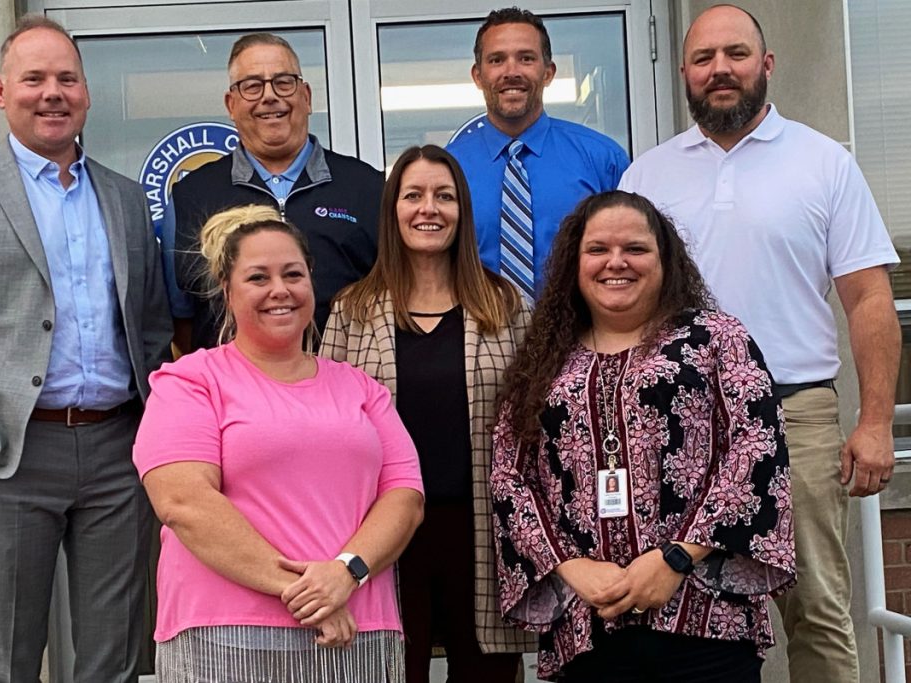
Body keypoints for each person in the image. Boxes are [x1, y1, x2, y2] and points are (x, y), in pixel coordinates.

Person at [617, 6, 901, 680]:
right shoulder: (645, 178)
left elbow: (869, 300)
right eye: (704, 57)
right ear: (684, 73)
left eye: (736, 54)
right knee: (682, 610)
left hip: (793, 416)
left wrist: (877, 420)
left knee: (817, 609)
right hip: (678, 428)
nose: (720, 69)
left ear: (765, 65)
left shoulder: (824, 163)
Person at [0, 15, 172, 682]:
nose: (52, 92)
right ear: (0, 90)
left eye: (67, 78)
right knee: (9, 659)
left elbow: (153, 326)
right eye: (34, 78)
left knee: (115, 658)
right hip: (6, 452)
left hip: (116, 455)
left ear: (86, 94)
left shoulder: (127, 199)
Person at [490, 191, 795, 681]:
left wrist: (676, 558)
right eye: (598, 250)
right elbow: (509, 476)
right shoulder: (543, 360)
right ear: (575, 262)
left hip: (705, 622)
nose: (616, 262)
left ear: (664, 259)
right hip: (589, 627)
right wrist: (572, 568)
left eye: (635, 248)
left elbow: (757, 446)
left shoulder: (717, 339)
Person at [133, 205, 424, 682]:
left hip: (355, 631)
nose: (279, 290)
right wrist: (308, 594)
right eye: (257, 278)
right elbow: (184, 502)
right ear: (226, 293)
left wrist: (345, 573)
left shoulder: (361, 388)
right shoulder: (189, 382)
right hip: (227, 638)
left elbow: (405, 498)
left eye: (293, 274)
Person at [321, 145, 534, 682]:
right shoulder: (353, 310)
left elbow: (536, 422)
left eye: (443, 196)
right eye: (413, 195)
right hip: (383, 535)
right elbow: (324, 430)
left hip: (482, 533)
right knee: (390, 672)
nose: (428, 209)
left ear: (462, 209)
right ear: (392, 210)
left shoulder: (506, 306)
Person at [172, 32, 384, 351]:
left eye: (283, 82)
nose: (269, 96)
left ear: (307, 97)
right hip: (232, 395)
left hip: (342, 389)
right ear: (231, 104)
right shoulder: (192, 195)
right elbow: (181, 317)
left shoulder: (367, 188)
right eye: (252, 85)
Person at [447, 7, 629, 299]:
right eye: (497, 60)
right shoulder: (449, 168)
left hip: (580, 338)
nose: (511, 72)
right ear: (478, 76)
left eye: (526, 58)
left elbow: (634, 255)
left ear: (548, 72)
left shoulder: (602, 159)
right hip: (479, 339)